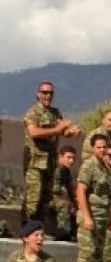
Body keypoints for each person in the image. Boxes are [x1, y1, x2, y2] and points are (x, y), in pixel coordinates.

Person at [23, 80, 81, 223]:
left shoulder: (55, 113)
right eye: (44, 92)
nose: (48, 95)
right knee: (33, 199)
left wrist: (71, 132)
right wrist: (58, 129)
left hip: (50, 163)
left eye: (51, 93)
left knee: (46, 198)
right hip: (35, 164)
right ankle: (27, 229)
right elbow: (34, 132)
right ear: (38, 94)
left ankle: (38, 228)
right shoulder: (33, 112)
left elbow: (63, 131)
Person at [50, 145, 77, 241]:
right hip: (49, 197)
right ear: (60, 157)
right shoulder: (56, 169)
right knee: (64, 204)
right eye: (68, 157)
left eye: (73, 158)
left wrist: (75, 203)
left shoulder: (66, 171)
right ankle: (63, 232)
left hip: (58, 197)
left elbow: (70, 189)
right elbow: (56, 189)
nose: (71, 161)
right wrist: (69, 201)